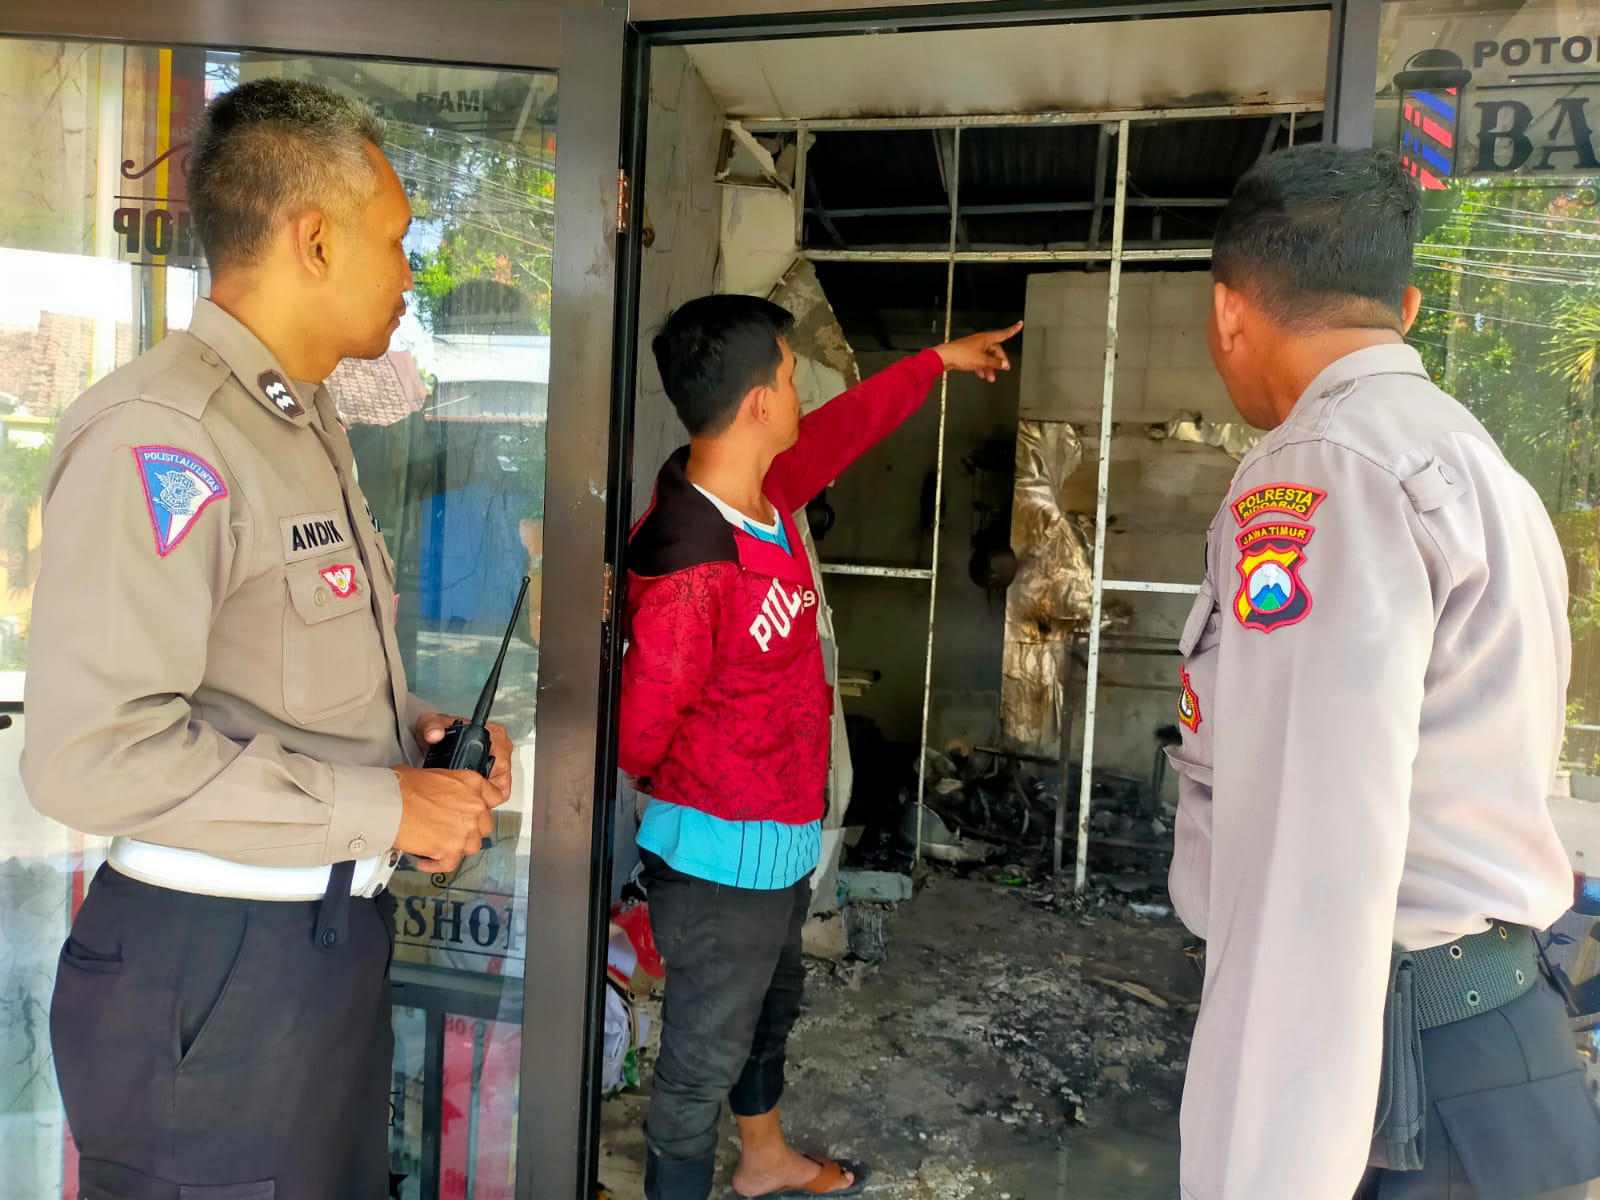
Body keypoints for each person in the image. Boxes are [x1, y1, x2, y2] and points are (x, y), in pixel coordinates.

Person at [22, 78, 510, 1199]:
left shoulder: (297, 425)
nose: (409, 270)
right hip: (209, 969)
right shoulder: (165, 434)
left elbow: (270, 680)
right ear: (315, 238)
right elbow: (92, 754)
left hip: (310, 954)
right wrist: (383, 805)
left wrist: (417, 750)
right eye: (395, 239)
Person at [1168, 142, 1600, 1200]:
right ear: (1403, 307)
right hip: (1496, 1061)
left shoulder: (1320, 472)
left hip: (1397, 1089)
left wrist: (1257, 1175)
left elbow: (1311, 863)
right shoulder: (1472, 463)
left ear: (1228, 312)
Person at [620, 295, 1020, 1200]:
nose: (803, 391)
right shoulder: (693, 559)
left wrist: (933, 365)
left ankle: (762, 1161)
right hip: (723, 855)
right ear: (759, 399)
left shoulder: (760, 495)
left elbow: (842, 431)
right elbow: (640, 731)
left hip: (779, 842)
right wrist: (720, 781)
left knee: (771, 1013)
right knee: (700, 1057)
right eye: (793, 374)